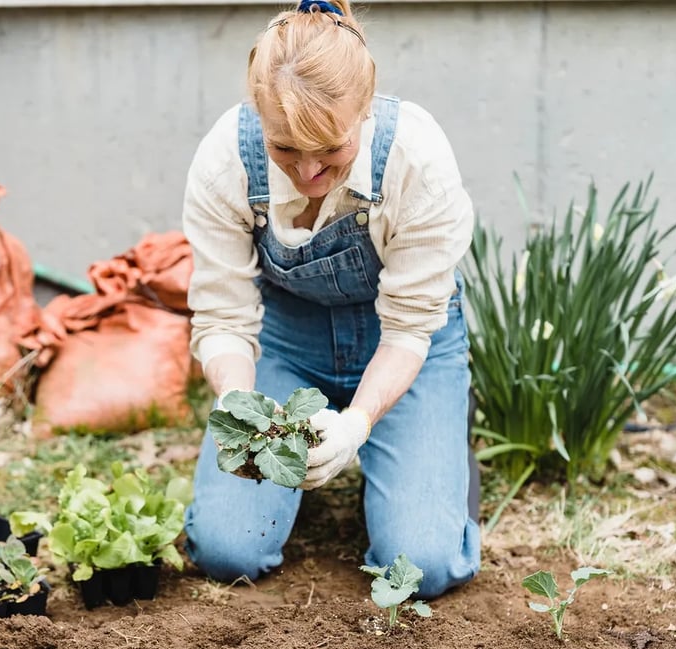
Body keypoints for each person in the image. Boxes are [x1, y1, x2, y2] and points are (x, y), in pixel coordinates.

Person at [181, 0, 480, 599]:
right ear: (259, 115)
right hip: (286, 342)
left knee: (420, 565)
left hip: (401, 344)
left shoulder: (415, 159)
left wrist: (357, 425)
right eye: (285, 148)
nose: (308, 170)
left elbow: (407, 331)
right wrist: (244, 406)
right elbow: (224, 318)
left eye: (331, 149)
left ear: (364, 112)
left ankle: (434, 456)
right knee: (224, 551)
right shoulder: (225, 161)